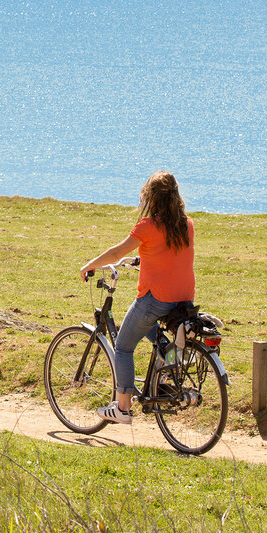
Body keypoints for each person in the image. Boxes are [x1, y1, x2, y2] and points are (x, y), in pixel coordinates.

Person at [79, 171, 195, 424]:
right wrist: (144, 259)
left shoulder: (147, 226)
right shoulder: (186, 224)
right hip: (183, 300)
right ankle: (168, 359)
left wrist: (90, 264)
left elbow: (116, 252)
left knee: (122, 345)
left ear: (150, 198)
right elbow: (169, 253)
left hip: (155, 299)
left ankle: (122, 407)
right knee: (152, 331)